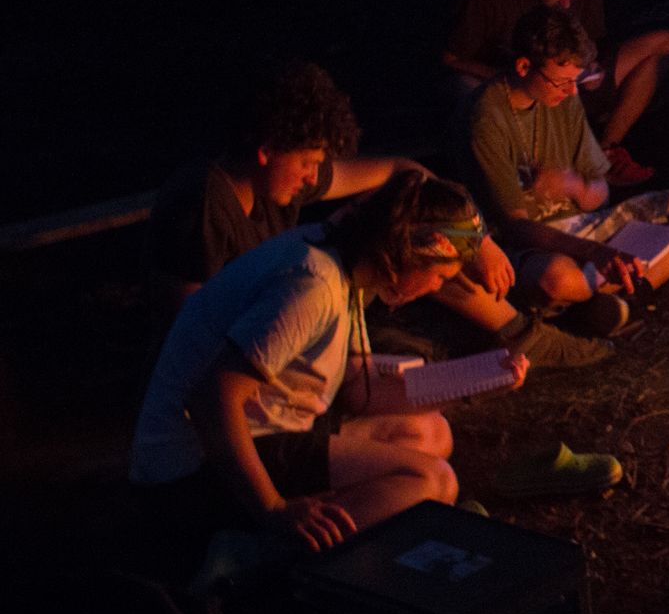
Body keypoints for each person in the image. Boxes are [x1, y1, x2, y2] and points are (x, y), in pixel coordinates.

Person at [131, 171, 525, 558]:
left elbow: (358, 388)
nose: (437, 286)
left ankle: (328, 526)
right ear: (414, 253)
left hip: (262, 432)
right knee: (433, 480)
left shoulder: (344, 262)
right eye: (440, 275)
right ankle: (261, 556)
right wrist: (273, 508)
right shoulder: (312, 286)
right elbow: (212, 398)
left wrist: (474, 381)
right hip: (191, 472)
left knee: (428, 433)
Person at [150, 60, 610, 369]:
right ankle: (520, 334)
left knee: (433, 234)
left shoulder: (276, 180)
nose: (312, 176)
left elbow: (404, 172)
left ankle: (523, 332)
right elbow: (193, 330)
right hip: (265, 335)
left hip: (294, 301)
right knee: (418, 245)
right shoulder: (203, 201)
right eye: (307, 162)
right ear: (267, 149)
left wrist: (479, 241)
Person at [455, 6, 669, 335]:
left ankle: (620, 293)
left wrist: (574, 187)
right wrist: (595, 252)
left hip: (591, 227)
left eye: (575, 81)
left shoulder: (564, 97)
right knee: (559, 280)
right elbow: (516, 228)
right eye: (562, 82)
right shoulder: (486, 119)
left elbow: (600, 193)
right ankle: (655, 274)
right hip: (536, 245)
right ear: (523, 67)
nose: (572, 92)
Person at [443, 0, 669, 187]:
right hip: (523, 81)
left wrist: (591, 66)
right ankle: (522, 172)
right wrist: (504, 76)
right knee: (465, 87)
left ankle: (606, 151)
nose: (566, 4)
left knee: (661, 46)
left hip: (571, 76)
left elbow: (592, 39)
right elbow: (451, 58)